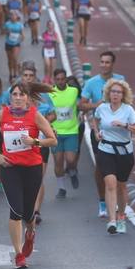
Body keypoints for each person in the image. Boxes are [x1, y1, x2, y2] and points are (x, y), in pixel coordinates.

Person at [0, 83, 57, 268]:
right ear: (10, 97)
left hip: (32, 168)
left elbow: (52, 139)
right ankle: (19, 255)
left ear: (27, 98)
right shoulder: (3, 114)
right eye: (15, 94)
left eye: (21, 94)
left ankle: (31, 232)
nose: (18, 97)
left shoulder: (35, 115)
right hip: (10, 168)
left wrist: (35, 141)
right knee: (16, 210)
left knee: (28, 213)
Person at [80, 51, 128, 220]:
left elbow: (129, 102)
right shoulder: (92, 83)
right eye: (102, 62)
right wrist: (96, 104)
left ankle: (116, 203)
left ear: (113, 64)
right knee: (102, 168)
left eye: (108, 62)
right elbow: (81, 105)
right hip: (99, 132)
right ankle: (102, 201)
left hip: (119, 133)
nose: (104, 65)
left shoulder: (120, 80)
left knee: (119, 171)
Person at [91, 80, 135, 234]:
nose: (115, 94)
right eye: (113, 91)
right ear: (108, 93)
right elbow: (95, 119)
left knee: (121, 186)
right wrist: (96, 132)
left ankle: (121, 217)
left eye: (118, 92)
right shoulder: (102, 108)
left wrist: (125, 125)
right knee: (110, 183)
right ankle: (112, 220)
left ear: (123, 95)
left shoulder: (128, 110)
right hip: (106, 150)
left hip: (124, 153)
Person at [48, 68, 81, 198]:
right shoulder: (50, 93)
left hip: (72, 131)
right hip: (55, 133)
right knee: (58, 162)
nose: (60, 82)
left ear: (66, 79)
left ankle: (72, 170)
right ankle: (62, 188)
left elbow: (79, 105)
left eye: (63, 79)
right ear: (54, 80)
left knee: (71, 159)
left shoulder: (74, 91)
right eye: (58, 79)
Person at [4, 8, 25, 73]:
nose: (13, 17)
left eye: (14, 15)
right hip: (8, 43)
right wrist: (8, 32)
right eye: (11, 15)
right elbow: (5, 33)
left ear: (17, 16)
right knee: (10, 60)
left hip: (16, 44)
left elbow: (22, 35)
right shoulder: (7, 24)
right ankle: (11, 73)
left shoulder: (20, 25)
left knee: (15, 59)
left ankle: (15, 73)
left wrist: (21, 38)